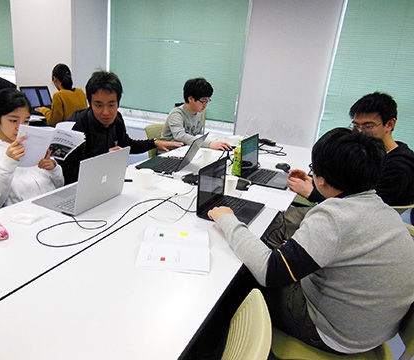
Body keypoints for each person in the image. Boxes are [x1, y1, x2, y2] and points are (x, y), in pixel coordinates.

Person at [208, 128, 414, 355]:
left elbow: (270, 272)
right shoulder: (380, 209)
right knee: (270, 243)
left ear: (322, 180)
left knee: (241, 278)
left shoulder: (333, 218)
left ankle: (211, 346)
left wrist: (227, 220)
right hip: (372, 327)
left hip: (333, 333)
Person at [289, 92, 414, 207]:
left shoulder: (398, 168)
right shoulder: (371, 153)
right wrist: (319, 182)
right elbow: (348, 188)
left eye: (368, 126)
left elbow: (362, 209)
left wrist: (312, 193)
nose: (359, 132)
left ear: (390, 124)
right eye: (355, 125)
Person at [61, 70, 183, 184]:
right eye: (98, 105)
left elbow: (126, 143)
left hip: (111, 181)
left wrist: (154, 143)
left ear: (118, 103)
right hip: (84, 188)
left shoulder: (117, 119)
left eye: (111, 105)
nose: (106, 112)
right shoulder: (77, 125)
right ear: (90, 103)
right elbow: (68, 174)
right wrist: (103, 160)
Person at [0, 88, 64, 210]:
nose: (20, 127)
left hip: (52, 207)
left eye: (26, 121)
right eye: (13, 120)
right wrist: (7, 163)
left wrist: (53, 168)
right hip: (20, 216)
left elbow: (59, 185)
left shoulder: (33, 141)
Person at [160, 78, 231, 150]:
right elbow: (180, 136)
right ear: (190, 99)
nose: (205, 105)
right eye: (203, 101)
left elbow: (199, 136)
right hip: (169, 153)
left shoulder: (199, 114)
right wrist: (209, 144)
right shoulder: (176, 114)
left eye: (207, 101)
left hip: (188, 150)